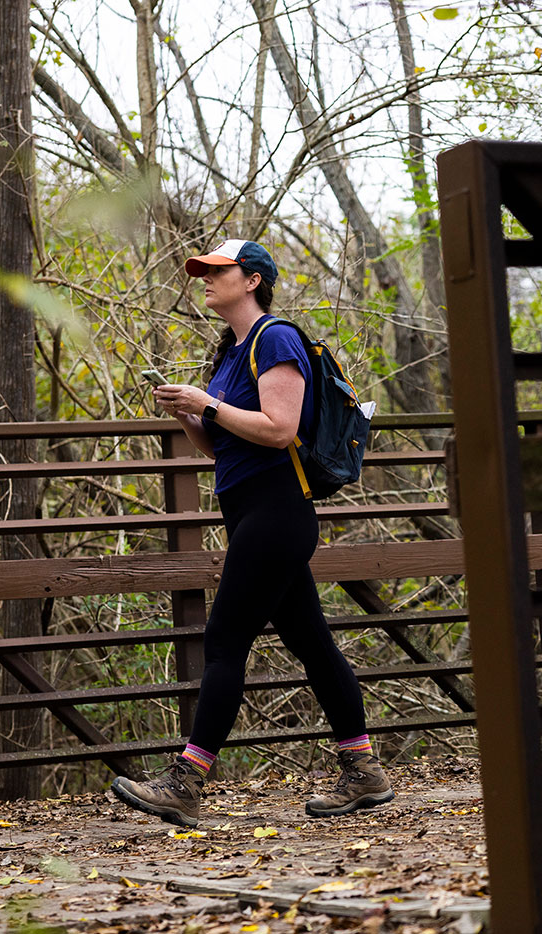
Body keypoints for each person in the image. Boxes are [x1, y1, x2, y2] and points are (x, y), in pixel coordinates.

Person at [110, 238, 393, 828]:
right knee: (313, 644)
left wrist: (207, 404)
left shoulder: (275, 338)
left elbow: (280, 428)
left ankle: (187, 782)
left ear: (254, 280)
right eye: (204, 272)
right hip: (250, 512)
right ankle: (363, 772)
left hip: (278, 512)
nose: (206, 280)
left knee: (224, 640)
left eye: (218, 271)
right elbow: (222, 447)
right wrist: (190, 415)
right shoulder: (232, 353)